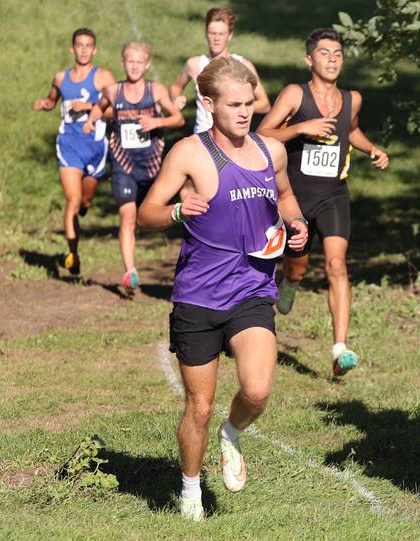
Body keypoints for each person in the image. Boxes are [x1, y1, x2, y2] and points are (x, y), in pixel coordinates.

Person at [137, 57, 309, 522]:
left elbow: (286, 193)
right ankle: (190, 490)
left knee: (256, 390)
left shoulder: (270, 150)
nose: (245, 111)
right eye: (234, 104)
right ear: (208, 104)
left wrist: (294, 222)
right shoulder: (189, 154)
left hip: (252, 286)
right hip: (197, 296)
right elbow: (145, 213)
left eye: (249, 102)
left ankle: (232, 434)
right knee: (199, 406)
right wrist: (176, 210)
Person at [257, 28, 389, 377]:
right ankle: (290, 283)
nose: (332, 59)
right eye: (325, 53)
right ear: (309, 59)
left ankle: (339, 348)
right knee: (297, 266)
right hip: (295, 198)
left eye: (338, 54)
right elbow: (262, 134)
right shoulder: (294, 95)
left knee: (336, 265)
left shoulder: (352, 98)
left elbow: (352, 129)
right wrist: (301, 129)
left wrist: (372, 148)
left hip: (334, 194)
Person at [83, 41, 184, 290]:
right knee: (127, 216)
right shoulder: (113, 91)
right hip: (123, 163)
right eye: (130, 62)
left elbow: (178, 118)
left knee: (152, 217)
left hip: (151, 164)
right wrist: (91, 121)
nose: (135, 66)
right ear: (123, 63)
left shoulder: (156, 91)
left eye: (139, 62)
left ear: (147, 64)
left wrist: (156, 122)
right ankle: (130, 271)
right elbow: (99, 107)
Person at [33, 28, 115, 275]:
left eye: (88, 45)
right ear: (72, 48)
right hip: (69, 144)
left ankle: (84, 207)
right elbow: (52, 99)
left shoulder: (103, 77)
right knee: (73, 200)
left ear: (95, 49)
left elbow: (117, 111)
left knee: (85, 200)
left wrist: (90, 106)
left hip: (95, 146)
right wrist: (45, 105)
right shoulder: (61, 78)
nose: (83, 49)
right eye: (79, 45)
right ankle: (73, 253)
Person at [170, 7, 270, 133]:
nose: (216, 38)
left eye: (221, 34)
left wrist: (235, 106)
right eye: (212, 33)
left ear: (230, 35)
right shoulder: (194, 64)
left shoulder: (243, 65)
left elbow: (265, 104)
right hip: (203, 133)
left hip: (232, 135)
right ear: (206, 33)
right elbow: (176, 87)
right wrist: (176, 98)